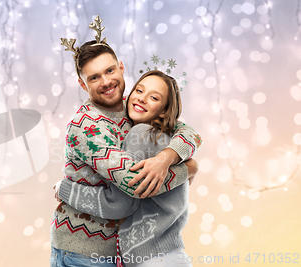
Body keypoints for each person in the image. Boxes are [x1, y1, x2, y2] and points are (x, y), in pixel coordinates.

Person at [50, 16, 202, 267]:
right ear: (82, 84)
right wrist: (188, 168)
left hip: (125, 251)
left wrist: (167, 158)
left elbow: (188, 131)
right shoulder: (86, 127)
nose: (107, 81)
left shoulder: (134, 105)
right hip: (83, 252)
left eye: (110, 70)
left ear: (121, 67)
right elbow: (134, 186)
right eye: (94, 77)